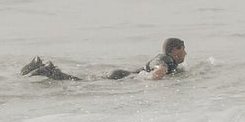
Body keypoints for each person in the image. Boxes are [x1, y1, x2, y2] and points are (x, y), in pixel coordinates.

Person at [22, 37, 187, 83]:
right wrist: (159, 73)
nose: (185, 53)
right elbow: (158, 68)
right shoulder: (165, 59)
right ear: (174, 50)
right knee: (80, 83)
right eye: (183, 49)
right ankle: (47, 71)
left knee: (82, 81)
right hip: (121, 76)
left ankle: (44, 69)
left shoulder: (170, 62)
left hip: (120, 75)